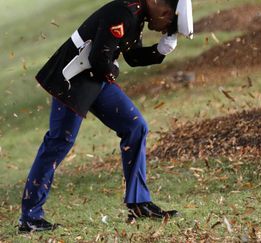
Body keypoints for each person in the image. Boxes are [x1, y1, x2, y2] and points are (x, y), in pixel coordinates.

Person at [18, 0, 193, 233]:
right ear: (160, 6)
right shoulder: (125, 13)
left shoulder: (137, 16)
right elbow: (99, 60)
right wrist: (113, 70)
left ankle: (139, 203)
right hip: (73, 79)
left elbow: (131, 56)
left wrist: (158, 51)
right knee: (59, 142)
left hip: (95, 80)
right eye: (169, 21)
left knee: (135, 127)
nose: (164, 28)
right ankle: (29, 218)